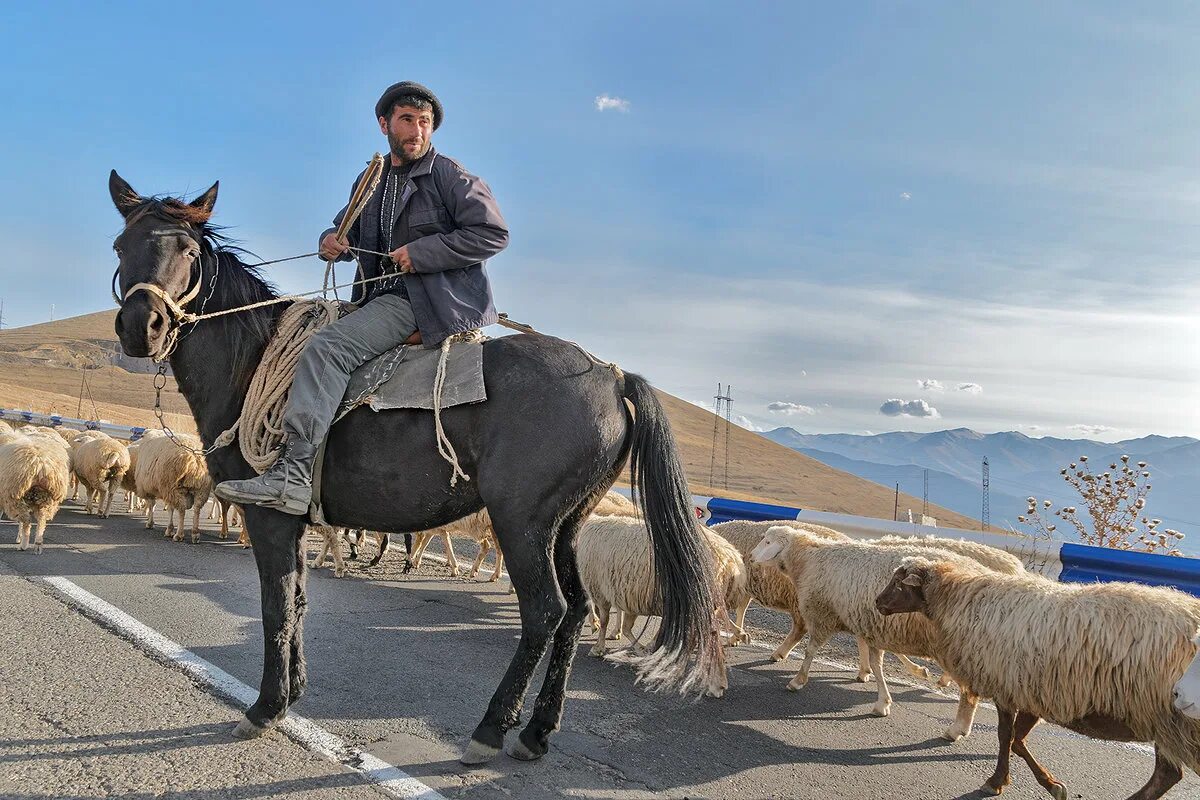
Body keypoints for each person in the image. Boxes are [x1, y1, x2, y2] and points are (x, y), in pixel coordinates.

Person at [216, 81, 509, 514]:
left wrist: (422, 252)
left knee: (327, 349)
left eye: (424, 123)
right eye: (407, 120)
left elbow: (492, 233)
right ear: (384, 124)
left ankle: (293, 478)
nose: (416, 131)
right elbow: (341, 228)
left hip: (420, 300)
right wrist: (329, 241)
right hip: (376, 298)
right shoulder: (370, 179)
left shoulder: (449, 174)